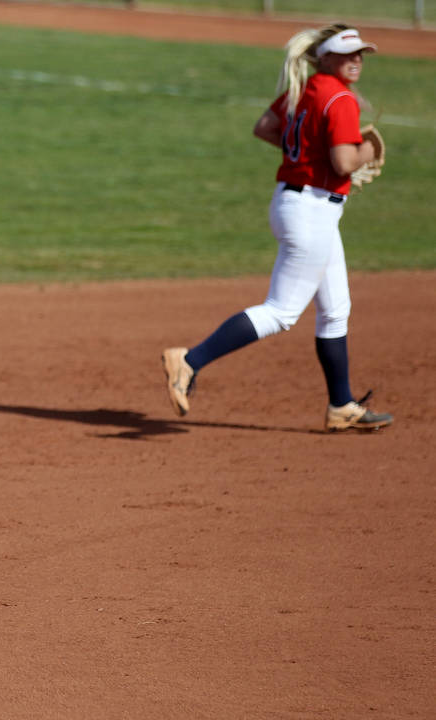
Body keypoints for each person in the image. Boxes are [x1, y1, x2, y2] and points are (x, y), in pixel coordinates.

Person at [162, 25, 392, 432]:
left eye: (361, 54)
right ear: (325, 57)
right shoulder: (340, 98)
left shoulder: (304, 89)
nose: (356, 60)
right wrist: (368, 150)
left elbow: (267, 127)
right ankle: (189, 360)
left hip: (298, 205)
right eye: (347, 53)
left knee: (335, 309)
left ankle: (341, 405)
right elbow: (343, 163)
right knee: (282, 312)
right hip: (312, 213)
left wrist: (309, 158)